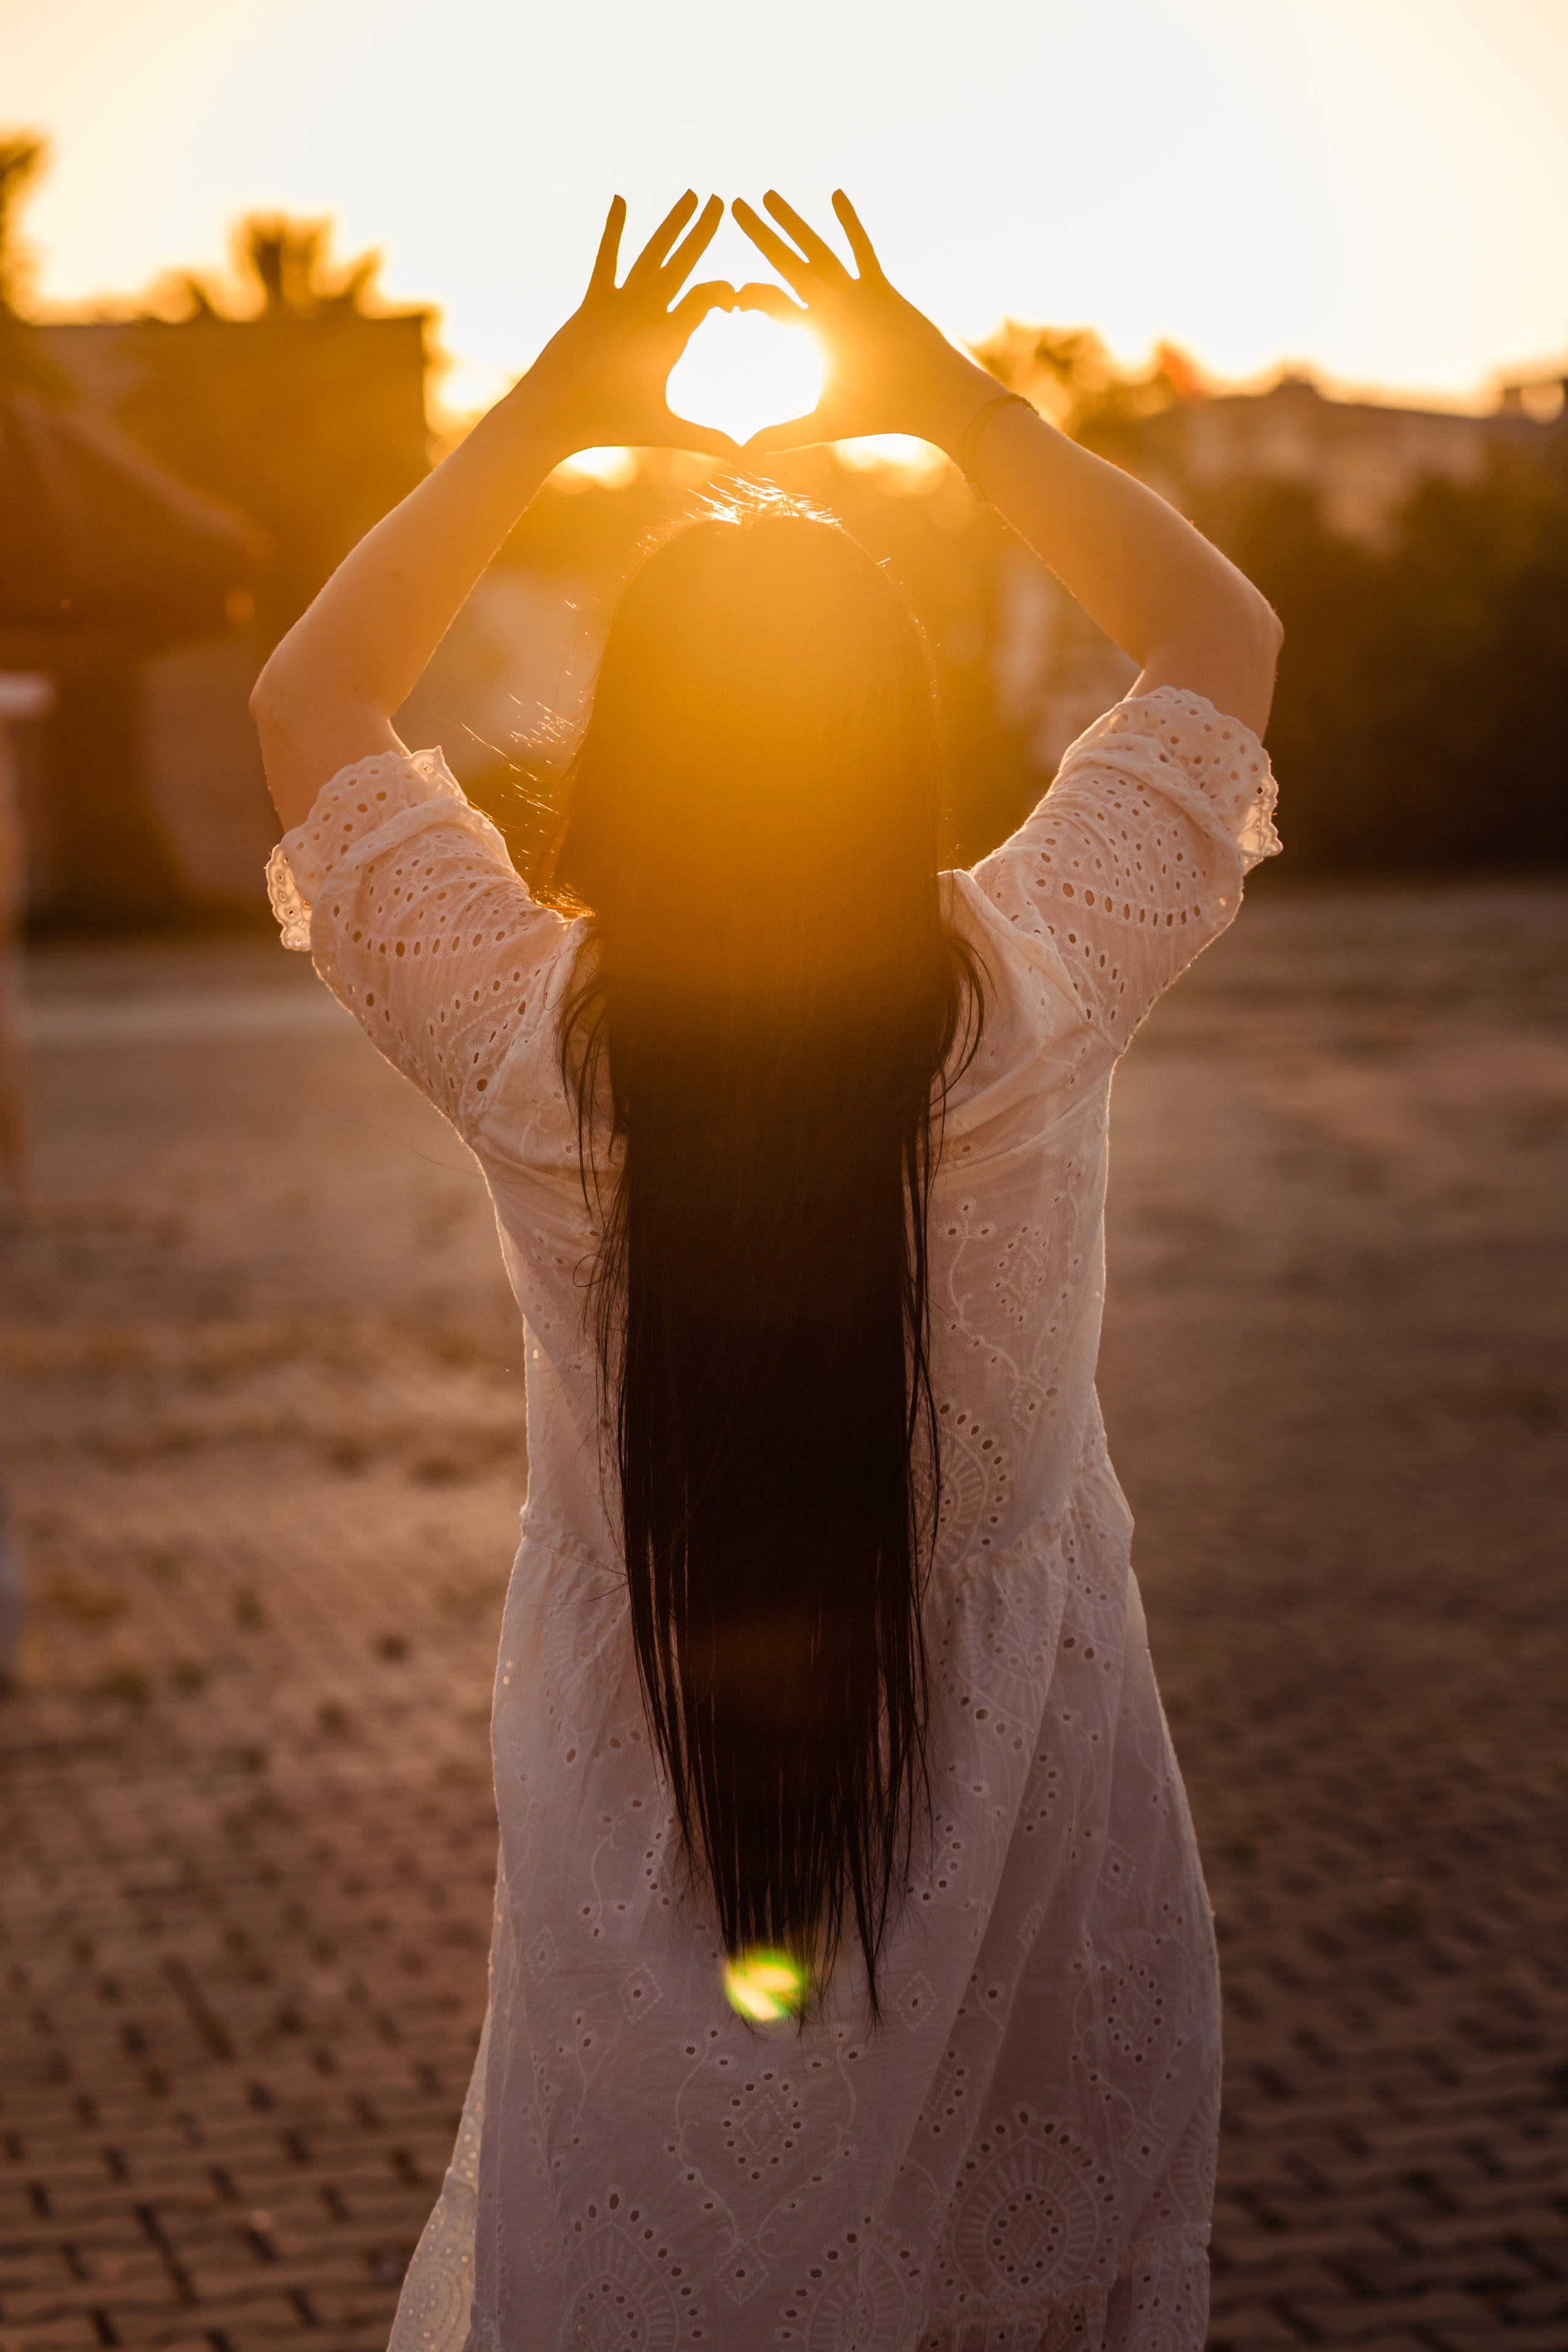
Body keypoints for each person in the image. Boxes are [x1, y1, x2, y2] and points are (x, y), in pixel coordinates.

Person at [252, 190, 1281, 2352]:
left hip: (658, 1843)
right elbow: (1220, 648)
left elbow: (313, 695)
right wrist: (956, 412)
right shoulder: (1036, 989)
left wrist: (546, 420)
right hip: (1031, 1815)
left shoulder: (534, 1045)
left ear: (629, 750)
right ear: (900, 739)